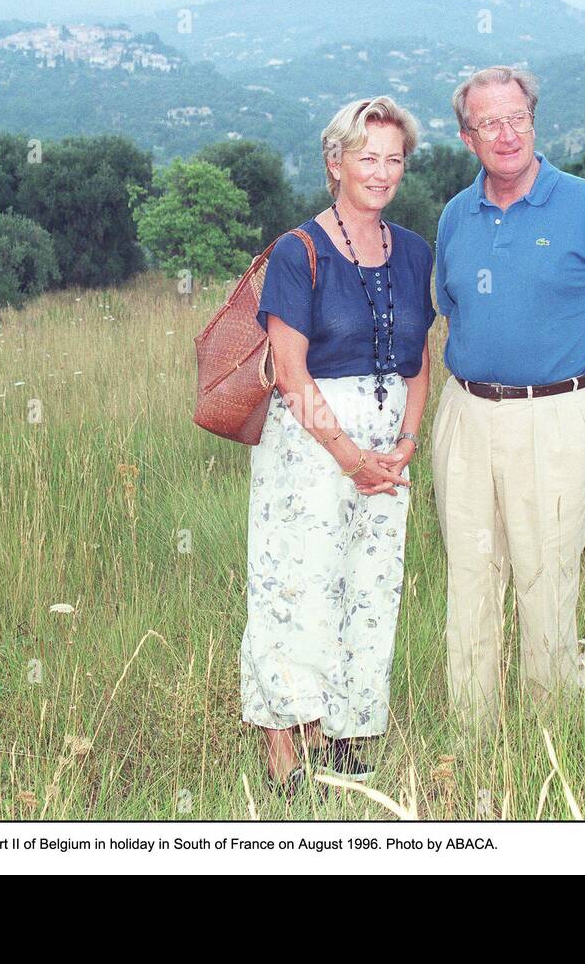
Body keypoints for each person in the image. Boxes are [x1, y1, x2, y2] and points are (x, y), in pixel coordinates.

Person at [431, 66, 585, 729]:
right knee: (469, 582)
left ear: (534, 119)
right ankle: (473, 739)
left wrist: (567, 396)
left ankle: (543, 745)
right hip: (464, 415)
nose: (507, 132)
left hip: (557, 418)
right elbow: (452, 310)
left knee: (545, 584)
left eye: (517, 116)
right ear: (468, 138)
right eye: (489, 122)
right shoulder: (455, 216)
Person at [242, 96, 436, 800]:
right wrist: (350, 456)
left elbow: (418, 359)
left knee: (371, 587)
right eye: (367, 157)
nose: (381, 172)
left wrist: (406, 442)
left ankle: (347, 732)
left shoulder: (416, 251)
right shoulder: (300, 251)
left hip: (389, 445)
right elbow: (290, 373)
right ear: (335, 164)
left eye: (393, 159)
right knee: (298, 583)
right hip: (313, 445)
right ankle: (284, 742)